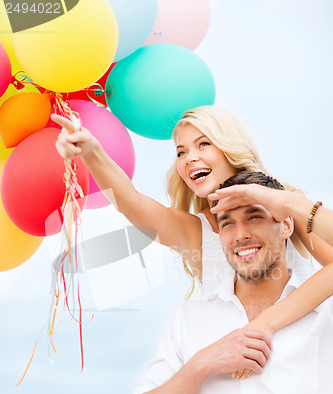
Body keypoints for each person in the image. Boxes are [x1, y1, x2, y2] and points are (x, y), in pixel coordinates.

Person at [51, 105, 333, 379]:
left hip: (302, 365)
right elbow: (132, 203)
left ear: (228, 148)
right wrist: (91, 151)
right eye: (181, 152)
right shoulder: (195, 231)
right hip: (237, 377)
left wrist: (264, 325)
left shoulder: (281, 205)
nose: (189, 158)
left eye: (203, 144)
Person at [125, 171, 333, 394]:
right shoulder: (188, 321)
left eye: (256, 216)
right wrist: (203, 363)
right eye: (227, 223)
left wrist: (286, 202)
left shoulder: (327, 314)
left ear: (287, 225)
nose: (241, 235)